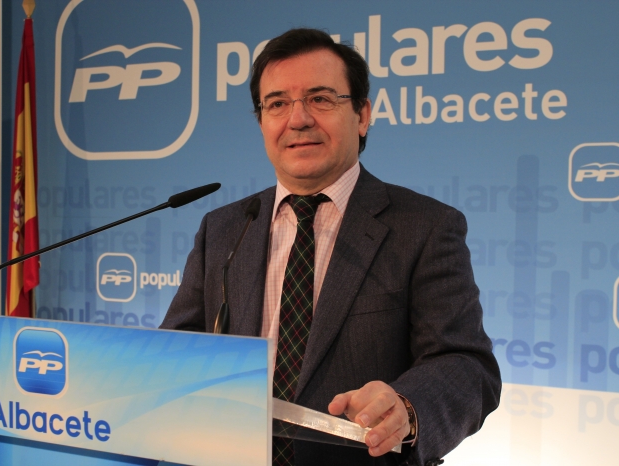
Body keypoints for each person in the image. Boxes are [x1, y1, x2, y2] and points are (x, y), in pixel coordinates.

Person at [160, 28, 501, 466]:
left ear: (362, 115)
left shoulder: (425, 226)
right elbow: (176, 349)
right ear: (262, 122)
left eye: (320, 99)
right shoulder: (224, 228)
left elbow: (467, 365)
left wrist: (406, 408)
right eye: (277, 104)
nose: (298, 119)